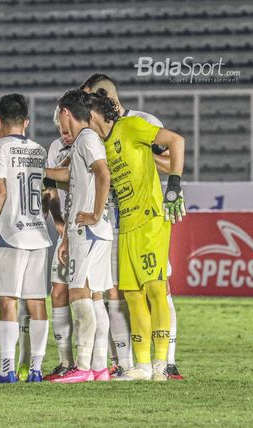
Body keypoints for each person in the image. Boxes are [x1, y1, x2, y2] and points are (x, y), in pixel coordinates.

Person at [81, 73, 184, 379]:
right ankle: (140, 365)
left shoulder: (135, 124)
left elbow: (175, 142)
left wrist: (174, 185)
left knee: (156, 288)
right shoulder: (102, 141)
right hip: (124, 222)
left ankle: (163, 363)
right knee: (132, 294)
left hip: (151, 217)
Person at [0, 94, 52, 383]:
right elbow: (45, 194)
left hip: (12, 234)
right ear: (27, 122)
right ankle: (36, 368)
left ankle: (7, 369)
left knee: (7, 301)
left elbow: (0, 191)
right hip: (38, 234)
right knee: (36, 303)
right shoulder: (38, 150)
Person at [45, 90, 112, 383]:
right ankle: (99, 367)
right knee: (96, 297)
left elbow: (103, 173)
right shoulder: (86, 141)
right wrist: (35, 168)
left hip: (89, 230)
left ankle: (82, 366)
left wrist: (95, 214)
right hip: (90, 232)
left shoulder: (85, 139)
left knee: (79, 294)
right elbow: (68, 175)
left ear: (65, 113)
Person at [42, 108, 75, 381]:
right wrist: (58, 221)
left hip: (89, 229)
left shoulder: (91, 143)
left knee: (99, 296)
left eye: (68, 130)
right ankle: (66, 361)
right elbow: (50, 190)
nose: (64, 135)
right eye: (61, 130)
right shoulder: (55, 147)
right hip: (66, 232)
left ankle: (112, 360)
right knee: (58, 293)